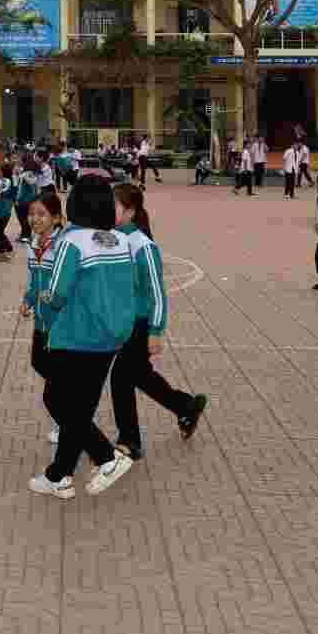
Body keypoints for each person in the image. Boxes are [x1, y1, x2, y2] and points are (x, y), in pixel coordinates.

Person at [30, 176, 146, 500]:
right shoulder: (120, 240)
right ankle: (59, 474)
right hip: (112, 337)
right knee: (79, 406)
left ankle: (108, 457)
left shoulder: (72, 241)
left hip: (78, 335)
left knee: (59, 401)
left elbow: (57, 292)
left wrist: (44, 300)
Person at [107, 184, 207, 458]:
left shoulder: (144, 246)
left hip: (140, 324)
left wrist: (156, 330)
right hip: (119, 323)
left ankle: (130, 441)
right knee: (140, 375)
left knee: (121, 378)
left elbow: (157, 292)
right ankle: (186, 406)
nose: (107, 209)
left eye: (113, 205)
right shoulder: (109, 239)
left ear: (130, 210)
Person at [18, 188, 67, 444]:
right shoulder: (33, 244)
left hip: (61, 322)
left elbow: (68, 284)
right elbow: (34, 282)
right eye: (31, 214)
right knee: (39, 362)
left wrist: (58, 298)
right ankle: (72, 412)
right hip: (41, 320)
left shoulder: (62, 245)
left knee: (56, 381)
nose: (35, 219)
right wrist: (28, 300)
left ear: (57, 218)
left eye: (42, 214)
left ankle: (68, 422)